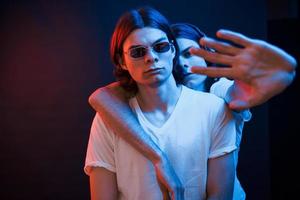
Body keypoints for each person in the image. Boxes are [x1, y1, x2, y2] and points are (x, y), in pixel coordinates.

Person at [88, 20, 297, 199]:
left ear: (209, 54)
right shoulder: (149, 95)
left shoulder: (218, 92)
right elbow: (102, 97)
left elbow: (234, 94)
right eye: (180, 57)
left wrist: (265, 81)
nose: (184, 64)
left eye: (190, 54)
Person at [84, 6, 237, 200]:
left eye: (160, 46)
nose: (151, 57)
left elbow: (220, 195)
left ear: (173, 49)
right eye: (138, 52)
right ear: (122, 61)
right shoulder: (106, 120)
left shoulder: (213, 109)